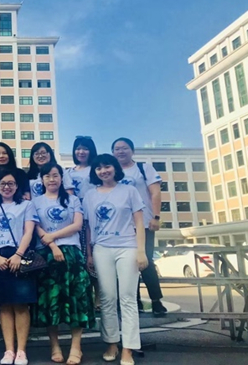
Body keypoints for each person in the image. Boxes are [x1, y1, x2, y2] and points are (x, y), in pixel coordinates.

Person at [83, 154, 148, 365]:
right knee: (107, 297)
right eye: (99, 168)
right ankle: (112, 343)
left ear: (115, 168)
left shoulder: (129, 191)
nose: (103, 171)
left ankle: (128, 348)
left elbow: (139, 222)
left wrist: (141, 251)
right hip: (101, 249)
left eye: (107, 166)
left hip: (127, 247)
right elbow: (88, 228)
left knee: (128, 298)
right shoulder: (90, 195)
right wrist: (89, 253)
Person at [32, 163, 94, 365]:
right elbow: (36, 227)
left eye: (55, 175)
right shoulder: (35, 202)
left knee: (77, 299)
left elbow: (77, 225)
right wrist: (52, 245)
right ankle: (55, 345)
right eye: (47, 176)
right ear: (42, 180)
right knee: (51, 300)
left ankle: (76, 346)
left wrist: (53, 236)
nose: (52, 179)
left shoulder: (73, 199)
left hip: (72, 253)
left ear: (61, 178)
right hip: (46, 255)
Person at [0, 170, 38, 365]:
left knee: (21, 304)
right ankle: (9, 350)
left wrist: (18, 255)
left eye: (11, 183)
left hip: (19, 256)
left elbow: (28, 231)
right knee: (4, 304)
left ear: (17, 186)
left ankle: (21, 350)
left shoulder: (26, 205)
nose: (7, 187)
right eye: (3, 183)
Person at [111, 137, 166, 317]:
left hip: (145, 223)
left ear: (132, 150)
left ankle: (156, 300)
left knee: (146, 261)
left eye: (124, 148)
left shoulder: (144, 168)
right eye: (117, 149)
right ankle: (135, 300)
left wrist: (156, 217)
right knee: (127, 264)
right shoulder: (112, 172)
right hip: (122, 227)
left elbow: (155, 192)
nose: (120, 151)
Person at [64, 136, 99, 310]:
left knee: (94, 256)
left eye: (85, 148)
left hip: (93, 215)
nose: (81, 152)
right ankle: (85, 298)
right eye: (78, 148)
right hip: (76, 217)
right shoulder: (68, 172)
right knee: (82, 258)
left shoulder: (96, 169)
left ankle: (99, 296)